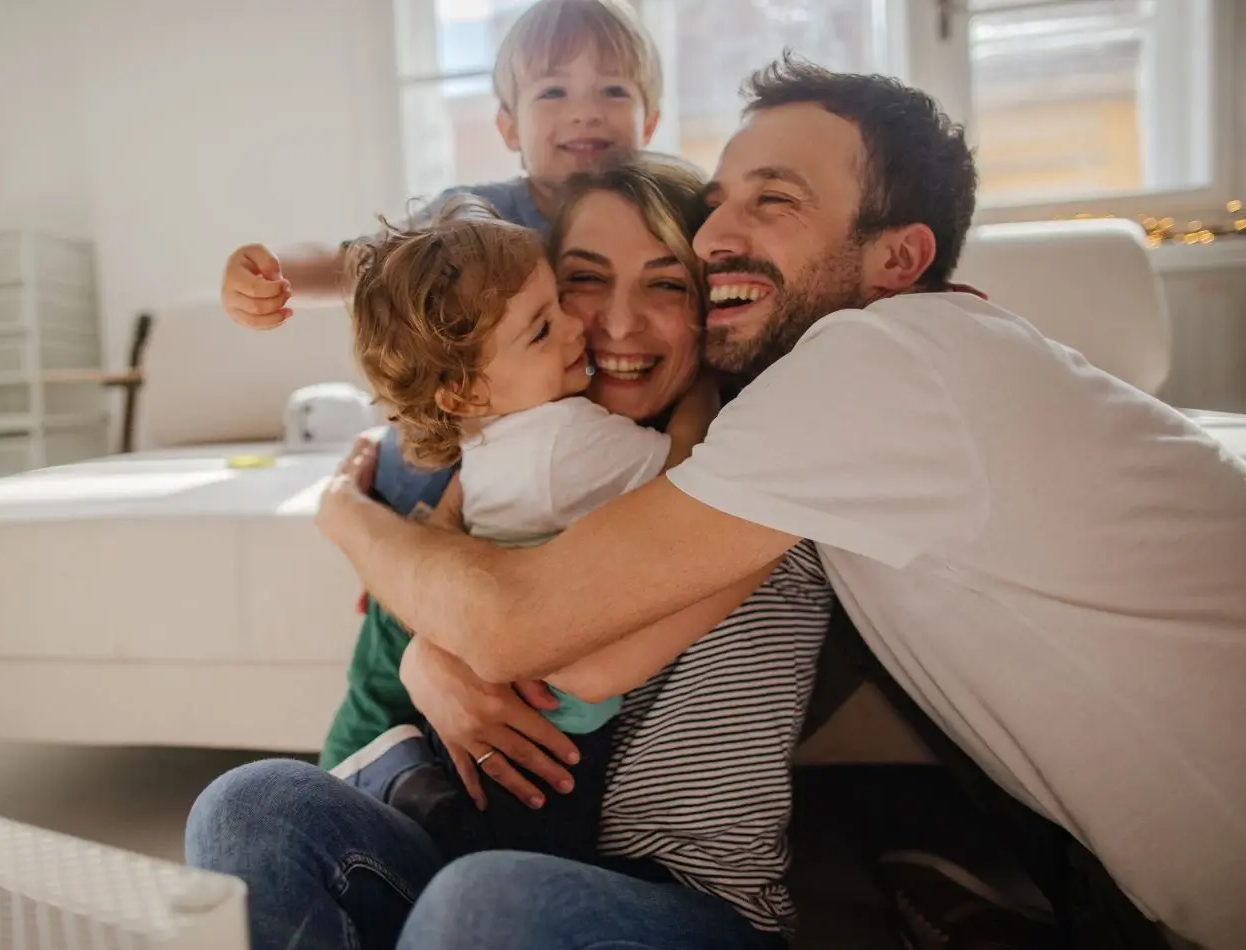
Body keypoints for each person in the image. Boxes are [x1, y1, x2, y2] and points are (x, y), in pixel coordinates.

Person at [313, 56, 1246, 950]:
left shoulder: (876, 364)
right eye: (717, 203)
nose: (716, 235)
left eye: (775, 200)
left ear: (898, 258)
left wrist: (346, 517)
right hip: (1164, 883)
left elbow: (534, 634)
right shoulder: (852, 400)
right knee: (262, 806)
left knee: (484, 904)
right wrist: (435, 643)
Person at [188, 155, 830, 950]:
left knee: (481, 903)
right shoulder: (515, 456)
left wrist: (363, 534)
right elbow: (456, 579)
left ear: (714, 301)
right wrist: (414, 624)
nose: (611, 326)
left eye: (667, 284)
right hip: (484, 848)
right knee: (248, 803)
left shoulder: (761, 463)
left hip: (686, 905)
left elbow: (550, 643)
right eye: (578, 284)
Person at [216, 0, 666, 767]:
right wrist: (277, 274)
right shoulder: (478, 219)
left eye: (614, 92)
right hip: (445, 479)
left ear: (651, 120)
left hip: (553, 501)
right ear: (506, 127)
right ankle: (371, 739)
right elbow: (362, 261)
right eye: (553, 92)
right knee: (405, 481)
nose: (585, 111)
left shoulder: (663, 210)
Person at [329, 191, 741, 865]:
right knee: (534, 837)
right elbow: (682, 466)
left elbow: (442, 521)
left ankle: (380, 772)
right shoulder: (566, 437)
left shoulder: (485, 435)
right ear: (464, 391)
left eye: (666, 283)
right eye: (548, 324)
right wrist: (704, 393)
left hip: (508, 682)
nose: (585, 329)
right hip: (552, 721)